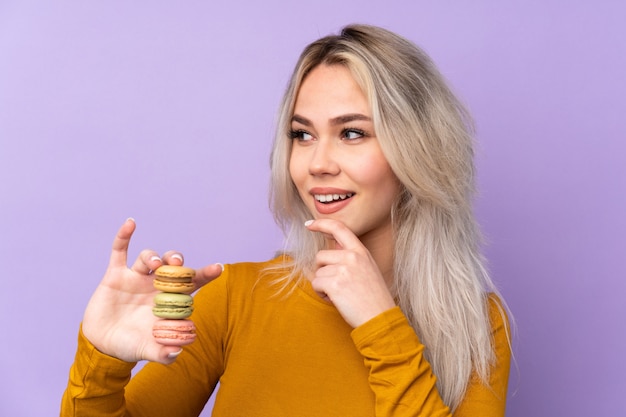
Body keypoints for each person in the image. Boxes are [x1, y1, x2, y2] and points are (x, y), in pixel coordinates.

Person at [61, 24, 511, 416]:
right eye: (302, 134)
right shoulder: (237, 300)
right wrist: (101, 358)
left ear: (420, 148)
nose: (316, 163)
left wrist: (382, 326)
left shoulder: (475, 326)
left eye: (351, 132)